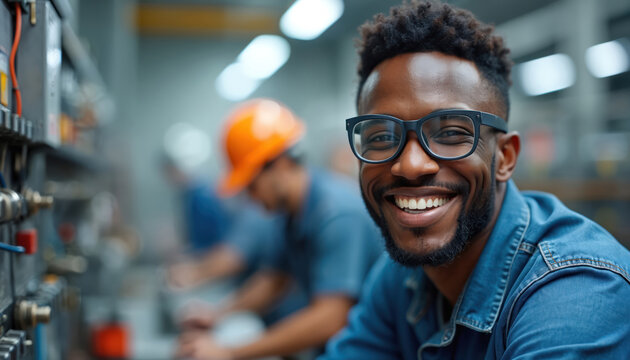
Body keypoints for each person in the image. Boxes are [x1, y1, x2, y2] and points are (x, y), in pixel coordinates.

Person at [321, 1, 630, 359]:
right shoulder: (399, 277)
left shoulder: (577, 290)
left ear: (505, 157)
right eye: (380, 137)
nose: (410, 165)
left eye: (451, 133)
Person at [175, 98, 384, 360]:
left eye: (252, 185)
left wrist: (229, 352)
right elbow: (273, 280)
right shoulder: (290, 215)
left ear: (280, 165)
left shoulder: (337, 215)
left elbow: (331, 315)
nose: (250, 198)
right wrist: (218, 314)